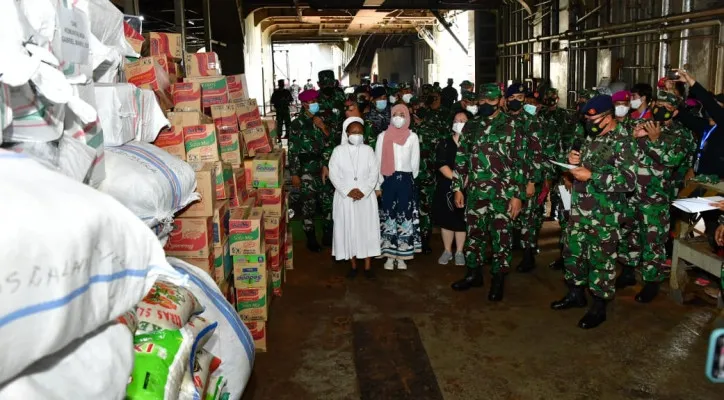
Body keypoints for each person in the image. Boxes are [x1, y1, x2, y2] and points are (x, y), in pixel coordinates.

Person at [550, 95, 636, 329]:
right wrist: (571, 162)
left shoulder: (623, 141)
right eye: (587, 119)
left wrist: (592, 176)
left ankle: (599, 306)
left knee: (601, 261)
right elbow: (583, 167)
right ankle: (575, 294)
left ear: (609, 117)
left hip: (605, 215)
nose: (590, 123)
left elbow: (629, 181)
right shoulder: (592, 138)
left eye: (595, 119)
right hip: (579, 210)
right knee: (574, 254)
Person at [615, 91, 696, 303]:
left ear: (675, 112)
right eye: (658, 104)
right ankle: (628, 271)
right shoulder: (638, 125)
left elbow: (671, 160)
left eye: (666, 107)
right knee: (628, 233)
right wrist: (631, 137)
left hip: (656, 196)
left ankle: (651, 282)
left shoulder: (681, 134)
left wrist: (654, 140)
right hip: (631, 192)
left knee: (653, 240)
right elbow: (621, 148)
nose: (660, 109)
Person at [451, 84, 526, 302]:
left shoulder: (514, 126)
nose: (485, 105)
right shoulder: (471, 127)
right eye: (481, 102)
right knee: (475, 236)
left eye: (490, 101)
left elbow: (521, 163)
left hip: (503, 194)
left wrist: (518, 195)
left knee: (501, 238)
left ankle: (498, 279)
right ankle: (473, 274)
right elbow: (461, 160)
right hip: (475, 193)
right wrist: (457, 187)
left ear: (500, 101)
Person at [328, 117, 381, 279]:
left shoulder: (368, 150)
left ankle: (367, 267)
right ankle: (352, 265)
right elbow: (333, 174)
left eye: (360, 132)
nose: (357, 135)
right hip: (345, 198)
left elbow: (374, 173)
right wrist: (348, 191)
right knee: (348, 229)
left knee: (367, 230)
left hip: (366, 197)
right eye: (353, 132)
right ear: (347, 133)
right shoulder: (338, 151)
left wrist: (364, 190)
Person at [375, 104, 421, 270]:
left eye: (402, 114)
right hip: (388, 181)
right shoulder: (383, 136)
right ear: (391, 116)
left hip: (406, 181)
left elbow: (415, 163)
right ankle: (389, 255)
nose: (399, 117)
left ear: (408, 116)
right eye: (396, 114)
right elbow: (377, 161)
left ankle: (402, 256)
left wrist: (408, 181)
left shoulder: (412, 137)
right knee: (388, 216)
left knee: (404, 216)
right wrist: (378, 184)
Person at [505, 84, 545, 272]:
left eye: (520, 97)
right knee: (505, 217)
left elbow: (538, 154)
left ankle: (528, 256)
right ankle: (504, 253)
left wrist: (532, 182)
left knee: (528, 219)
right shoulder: (501, 120)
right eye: (512, 97)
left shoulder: (532, 121)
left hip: (526, 177)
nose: (515, 101)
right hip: (505, 179)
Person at [289, 89, 330, 252]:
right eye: (312, 102)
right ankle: (311, 239)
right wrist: (294, 173)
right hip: (306, 170)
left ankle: (328, 235)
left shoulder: (321, 120)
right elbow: (293, 150)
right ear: (304, 104)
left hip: (323, 168)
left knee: (327, 203)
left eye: (316, 101)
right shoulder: (297, 123)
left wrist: (322, 127)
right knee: (308, 206)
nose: (315, 104)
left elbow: (329, 141)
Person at [415, 87, 447, 254]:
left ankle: (424, 238)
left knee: (426, 208)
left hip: (430, 173)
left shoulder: (441, 120)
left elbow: (444, 143)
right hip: (410, 174)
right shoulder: (413, 122)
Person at [434, 111, 469, 265]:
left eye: (463, 120)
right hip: (446, 185)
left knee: (461, 221)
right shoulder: (444, 143)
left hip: (468, 185)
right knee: (446, 220)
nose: (460, 122)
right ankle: (447, 250)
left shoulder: (472, 143)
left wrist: (463, 184)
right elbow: (441, 165)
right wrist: (457, 181)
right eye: (457, 120)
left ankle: (460, 252)